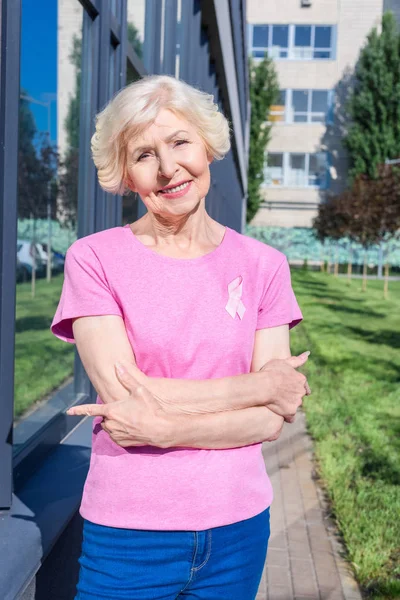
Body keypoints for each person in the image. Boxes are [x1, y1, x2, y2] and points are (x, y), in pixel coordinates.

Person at [51, 75, 310, 600]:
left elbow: (268, 423)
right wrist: (262, 386)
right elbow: (126, 402)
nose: (168, 168)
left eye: (179, 142)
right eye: (145, 154)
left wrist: (163, 427)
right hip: (129, 534)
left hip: (238, 528)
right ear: (125, 173)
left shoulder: (264, 266)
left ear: (208, 145)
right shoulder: (95, 258)